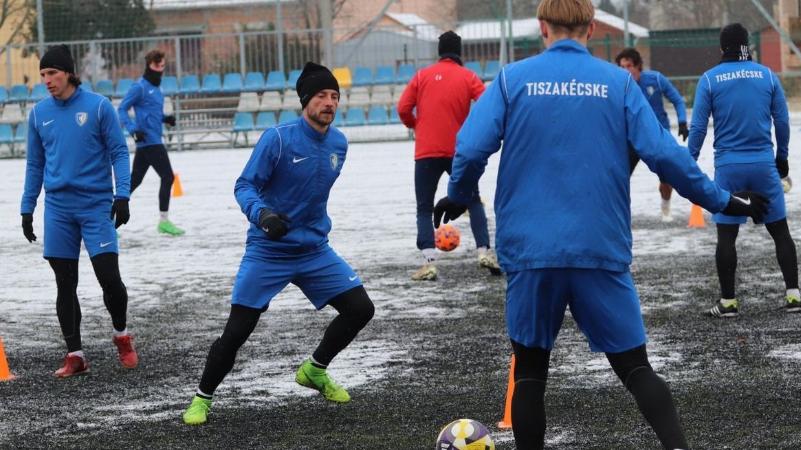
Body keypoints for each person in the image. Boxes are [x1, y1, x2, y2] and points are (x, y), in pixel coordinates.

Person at [433, 1, 768, 448]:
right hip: (599, 247)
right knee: (635, 368)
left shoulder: (513, 80)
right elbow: (667, 157)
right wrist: (725, 200)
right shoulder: (618, 83)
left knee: (530, 373)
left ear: (541, 27)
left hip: (531, 250)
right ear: (591, 28)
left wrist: (458, 193)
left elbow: (472, 148)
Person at [182, 62, 375, 426]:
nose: (329, 102)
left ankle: (314, 370)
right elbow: (244, 185)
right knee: (237, 330)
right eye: (321, 95)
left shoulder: (339, 143)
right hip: (269, 250)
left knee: (361, 309)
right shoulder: (279, 138)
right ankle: (201, 399)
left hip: (314, 249)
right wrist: (263, 215)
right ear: (305, 100)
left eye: (335, 96)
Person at [20, 45, 137, 377]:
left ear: (69, 73)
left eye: (52, 73)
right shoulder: (38, 114)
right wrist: (27, 208)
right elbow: (34, 164)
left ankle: (121, 334)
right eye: (43, 74)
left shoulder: (99, 107)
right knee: (64, 283)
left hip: (96, 205)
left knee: (109, 279)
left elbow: (118, 152)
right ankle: (75, 354)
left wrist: (122, 195)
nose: (47, 80)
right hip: (58, 209)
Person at [688, 23, 801, 318]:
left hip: (729, 168)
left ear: (722, 48)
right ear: (747, 46)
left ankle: (728, 302)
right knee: (780, 231)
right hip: (763, 165)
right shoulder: (767, 75)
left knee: (726, 236)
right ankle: (794, 296)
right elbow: (782, 121)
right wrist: (782, 157)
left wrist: (687, 162)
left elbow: (699, 127)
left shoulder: (709, 79)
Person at [397, 30, 500, 281]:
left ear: (439, 51)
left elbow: (403, 108)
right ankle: (484, 252)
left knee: (424, 206)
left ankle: (429, 261)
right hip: (459, 151)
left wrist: (416, 125)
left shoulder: (422, 76)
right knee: (473, 201)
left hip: (426, 151)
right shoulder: (468, 76)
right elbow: (487, 104)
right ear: (459, 52)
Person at [616, 48, 689, 223]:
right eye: (622, 67)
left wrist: (682, 122)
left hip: (657, 138)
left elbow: (677, 100)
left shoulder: (655, 79)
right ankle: (621, 214)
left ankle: (666, 208)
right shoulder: (618, 85)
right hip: (631, 139)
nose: (625, 70)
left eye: (629, 66)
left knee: (667, 177)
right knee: (619, 177)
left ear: (638, 66)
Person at [118, 48, 184, 236]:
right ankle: (163, 221)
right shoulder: (139, 87)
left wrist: (166, 119)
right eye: (157, 65)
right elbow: (122, 109)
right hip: (149, 142)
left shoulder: (157, 88)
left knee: (133, 182)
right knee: (168, 177)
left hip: (152, 141)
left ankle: (108, 217)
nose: (160, 69)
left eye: (163, 65)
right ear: (149, 65)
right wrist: (133, 130)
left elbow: (152, 113)